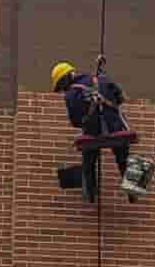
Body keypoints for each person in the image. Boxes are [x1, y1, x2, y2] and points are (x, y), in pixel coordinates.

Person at [51, 59, 138, 203]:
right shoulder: (101, 78)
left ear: (65, 81)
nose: (63, 91)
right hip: (116, 129)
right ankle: (133, 189)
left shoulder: (70, 95)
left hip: (94, 133)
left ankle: (90, 193)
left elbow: (75, 122)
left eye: (61, 87)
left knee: (88, 160)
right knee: (123, 159)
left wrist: (89, 115)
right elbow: (120, 98)